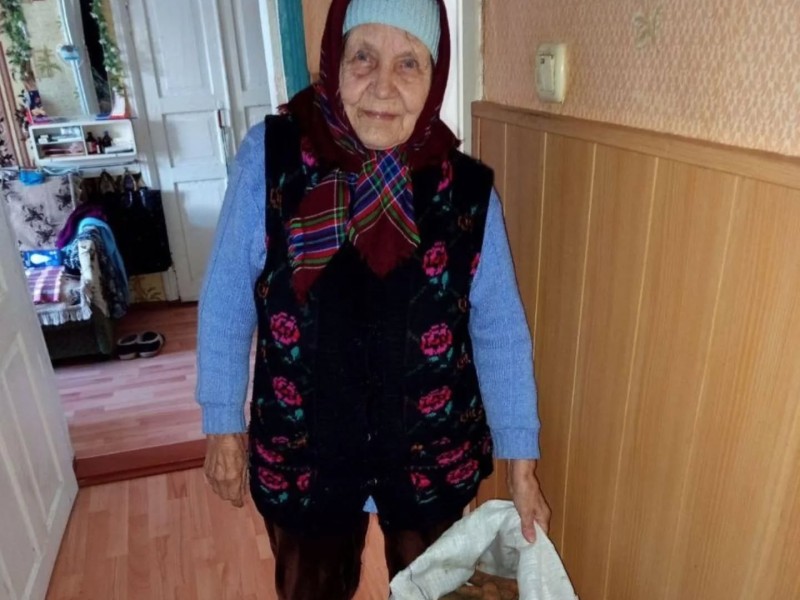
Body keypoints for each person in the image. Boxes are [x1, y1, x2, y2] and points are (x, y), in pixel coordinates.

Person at [197, 0, 550, 597]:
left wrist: (523, 464)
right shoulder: (273, 158)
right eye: (364, 57)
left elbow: (501, 332)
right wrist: (222, 425)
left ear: (434, 78)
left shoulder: (466, 194)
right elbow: (227, 298)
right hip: (306, 456)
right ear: (335, 61)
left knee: (434, 591)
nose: (383, 86)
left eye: (409, 63)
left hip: (428, 457)